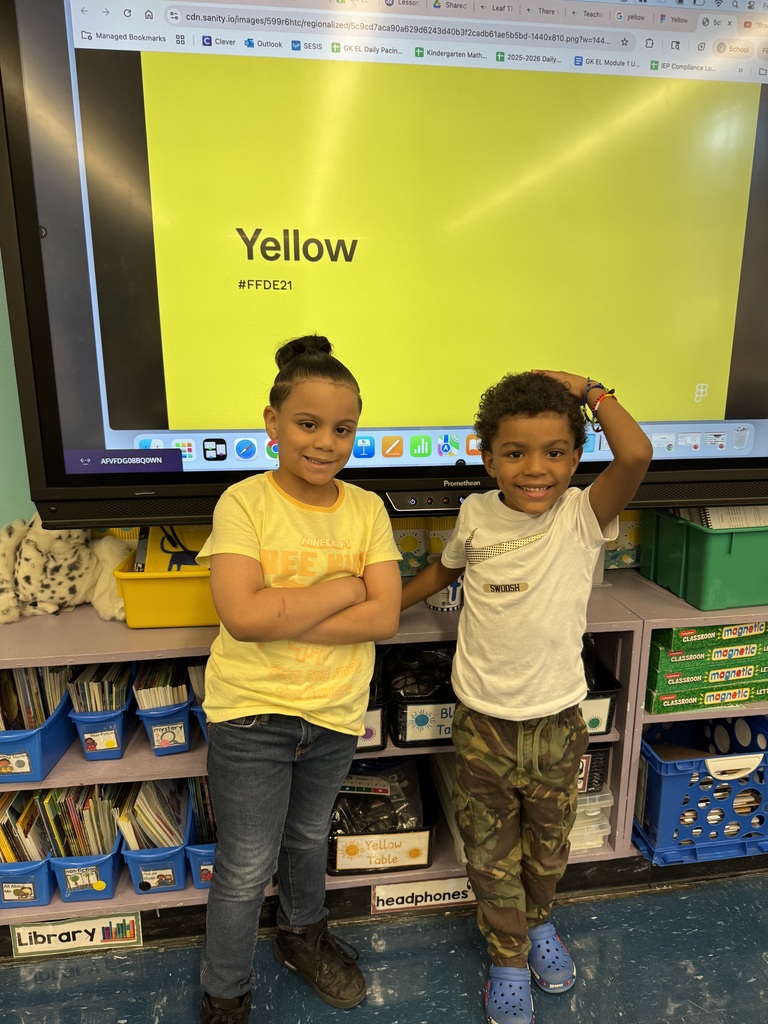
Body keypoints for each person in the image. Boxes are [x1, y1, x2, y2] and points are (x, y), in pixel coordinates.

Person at [401, 370, 652, 1024]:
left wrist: (593, 391)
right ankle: (508, 954)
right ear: (487, 457)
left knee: (548, 845)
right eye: (514, 452)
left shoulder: (582, 514)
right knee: (489, 851)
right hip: (482, 724)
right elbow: (443, 570)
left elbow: (635, 454)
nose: (534, 468)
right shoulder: (476, 514)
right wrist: (382, 604)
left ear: (576, 456)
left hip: (557, 725)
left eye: (555, 452)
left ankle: (539, 923)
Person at [196, 335, 402, 1024]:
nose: (326, 442)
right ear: (273, 423)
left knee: (308, 840)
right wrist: (343, 586)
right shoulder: (244, 503)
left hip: (334, 714)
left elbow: (388, 615)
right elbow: (243, 617)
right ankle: (225, 991)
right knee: (246, 864)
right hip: (252, 715)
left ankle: (301, 938)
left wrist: (281, 613)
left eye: (342, 428)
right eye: (308, 424)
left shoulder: (367, 509)